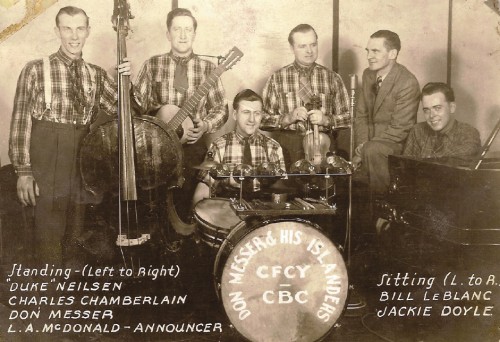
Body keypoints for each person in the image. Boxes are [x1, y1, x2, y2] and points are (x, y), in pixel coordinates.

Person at [8, 6, 130, 266]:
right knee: (48, 229)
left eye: (79, 29)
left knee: (76, 227)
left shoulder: (95, 75)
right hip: (48, 154)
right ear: (57, 31)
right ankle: (49, 293)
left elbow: (129, 109)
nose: (74, 36)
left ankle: (70, 292)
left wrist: (125, 78)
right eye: (67, 29)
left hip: (82, 157)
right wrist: (24, 171)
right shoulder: (35, 70)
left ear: (87, 31)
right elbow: (20, 122)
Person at [134, 8, 228, 220]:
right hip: (156, 148)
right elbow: (137, 106)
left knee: (187, 202)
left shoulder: (208, 69)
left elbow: (221, 108)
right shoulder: (152, 65)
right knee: (153, 203)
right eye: (177, 29)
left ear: (195, 33)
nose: (183, 35)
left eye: (188, 29)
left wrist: (205, 125)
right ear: (168, 34)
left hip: (193, 148)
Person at [261, 24, 350, 169]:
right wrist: (288, 118)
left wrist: (327, 120)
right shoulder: (277, 78)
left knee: (325, 189)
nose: (309, 51)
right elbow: (262, 120)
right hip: (289, 146)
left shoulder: (333, 78)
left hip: (323, 145)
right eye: (302, 46)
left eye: (313, 45)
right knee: (290, 189)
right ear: (292, 48)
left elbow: (348, 117)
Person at [353, 30, 420, 195]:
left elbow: (399, 130)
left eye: (375, 51)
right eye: (368, 51)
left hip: (394, 145)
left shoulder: (407, 82)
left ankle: (381, 208)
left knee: (373, 150)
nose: (369, 56)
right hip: (367, 144)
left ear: (393, 54)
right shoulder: (368, 74)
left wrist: (364, 150)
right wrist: (362, 145)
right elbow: (361, 116)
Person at [193, 89, 286, 204]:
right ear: (235, 115)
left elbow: (280, 189)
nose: (252, 119)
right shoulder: (219, 146)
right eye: (246, 112)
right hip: (229, 208)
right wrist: (199, 209)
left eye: (257, 113)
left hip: (262, 208)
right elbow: (206, 184)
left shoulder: (274, 147)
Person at [403, 82, 481, 158]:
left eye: (437, 108)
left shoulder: (468, 133)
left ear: (452, 107)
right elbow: (404, 166)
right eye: (426, 110)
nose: (431, 115)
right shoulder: (417, 131)